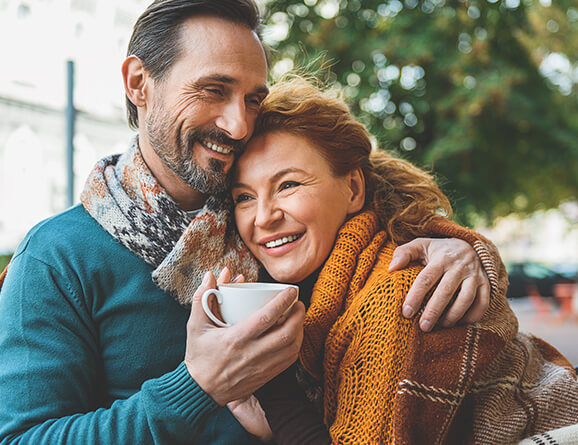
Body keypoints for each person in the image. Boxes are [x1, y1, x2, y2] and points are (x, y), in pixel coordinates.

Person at [0, 0, 503, 443]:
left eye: (253, 99)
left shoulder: (269, 236)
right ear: (139, 84)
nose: (239, 124)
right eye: (213, 90)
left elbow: (373, 197)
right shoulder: (56, 256)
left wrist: (455, 245)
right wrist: (199, 387)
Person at [216, 76, 578, 444]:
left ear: (354, 188)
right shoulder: (320, 287)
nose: (262, 217)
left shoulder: (396, 294)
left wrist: (277, 397)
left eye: (288, 185)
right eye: (244, 197)